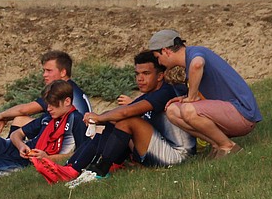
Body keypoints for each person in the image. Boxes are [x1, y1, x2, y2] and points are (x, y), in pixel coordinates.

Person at [67, 51, 196, 186]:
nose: (140, 79)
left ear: (160, 76)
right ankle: (93, 167)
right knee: (113, 119)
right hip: (162, 148)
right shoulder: (150, 94)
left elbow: (126, 113)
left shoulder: (165, 92)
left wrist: (99, 117)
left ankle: (100, 171)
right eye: (137, 74)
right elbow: (118, 113)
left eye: (146, 74)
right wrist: (101, 118)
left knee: (128, 121)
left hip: (179, 156)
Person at [150, 29, 261, 158]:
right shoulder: (189, 59)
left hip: (243, 115)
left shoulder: (195, 53)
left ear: (165, 51)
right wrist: (186, 97)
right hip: (229, 112)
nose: (159, 62)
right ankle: (217, 145)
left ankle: (228, 147)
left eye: (158, 58)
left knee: (188, 110)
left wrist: (191, 97)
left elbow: (197, 64)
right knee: (172, 110)